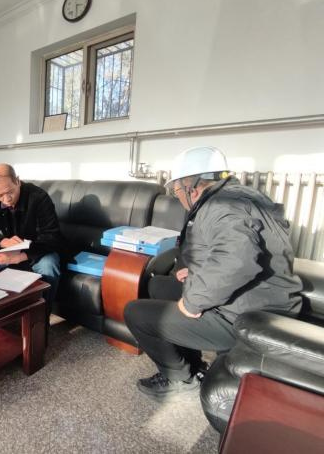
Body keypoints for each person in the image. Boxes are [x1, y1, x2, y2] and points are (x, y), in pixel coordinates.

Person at [124, 146, 303, 399]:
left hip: (248, 316)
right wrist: (197, 270)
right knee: (158, 286)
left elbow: (238, 259)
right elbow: (237, 249)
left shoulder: (221, 206)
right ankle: (193, 366)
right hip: (255, 299)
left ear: (191, 186)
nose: (177, 197)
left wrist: (194, 301)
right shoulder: (238, 197)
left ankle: (180, 379)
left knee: (135, 312)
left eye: (176, 190)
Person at [0, 163, 63, 312]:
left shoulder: (39, 198)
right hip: (10, 247)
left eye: (10, 191)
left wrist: (20, 256)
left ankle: (42, 316)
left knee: (49, 266)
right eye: (0, 195)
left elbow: (52, 238)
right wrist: (3, 241)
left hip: (37, 248)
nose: (6, 199)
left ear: (17, 181)